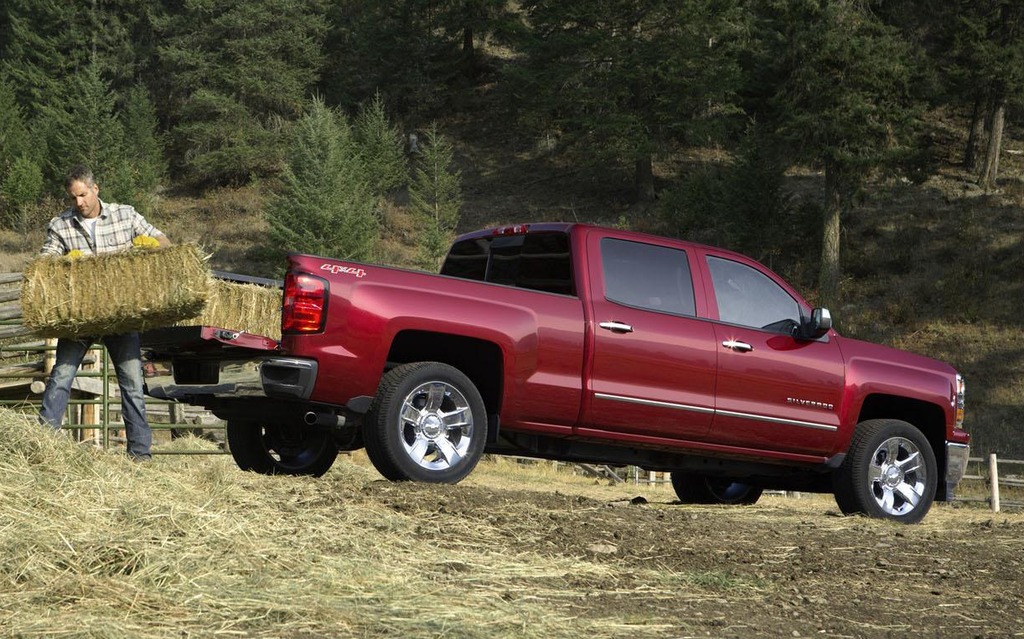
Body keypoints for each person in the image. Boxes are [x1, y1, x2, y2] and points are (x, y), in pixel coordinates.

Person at [38, 165, 171, 461]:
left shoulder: (125, 214)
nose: (79, 203)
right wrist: (61, 264)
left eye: (83, 195)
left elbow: (163, 241)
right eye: (73, 198)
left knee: (132, 383)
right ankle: (43, 445)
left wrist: (146, 248)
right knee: (61, 376)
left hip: (121, 316)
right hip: (81, 318)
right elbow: (44, 264)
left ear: (95, 189)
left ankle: (140, 454)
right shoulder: (60, 225)